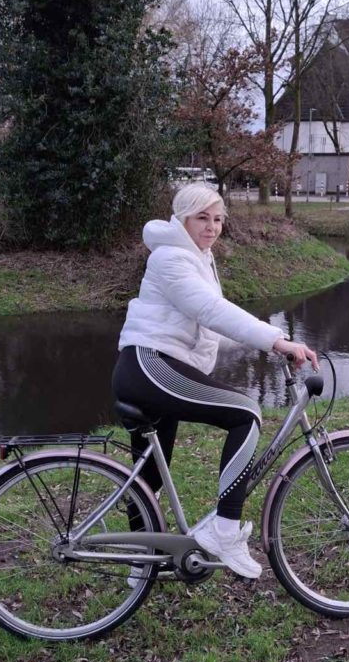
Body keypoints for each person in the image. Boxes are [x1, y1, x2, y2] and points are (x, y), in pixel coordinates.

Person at [112, 184, 318, 579]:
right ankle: (225, 531)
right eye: (202, 218)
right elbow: (211, 310)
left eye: (219, 219)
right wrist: (276, 340)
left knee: (148, 479)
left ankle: (141, 566)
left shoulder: (197, 256)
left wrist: (269, 345)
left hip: (149, 368)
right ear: (183, 219)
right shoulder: (171, 257)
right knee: (246, 413)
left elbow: (208, 328)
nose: (212, 227)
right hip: (151, 366)